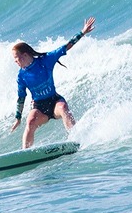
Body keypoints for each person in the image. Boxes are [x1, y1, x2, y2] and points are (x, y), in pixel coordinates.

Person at [11, 16, 95, 149]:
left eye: (16, 58)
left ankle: (76, 140)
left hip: (54, 101)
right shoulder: (21, 76)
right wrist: (18, 117)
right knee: (31, 122)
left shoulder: (46, 60)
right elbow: (21, 97)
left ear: (25, 55)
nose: (15, 61)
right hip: (39, 107)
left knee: (63, 108)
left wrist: (82, 32)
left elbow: (66, 47)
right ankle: (25, 152)